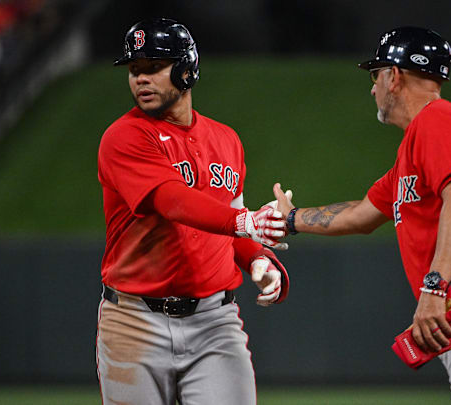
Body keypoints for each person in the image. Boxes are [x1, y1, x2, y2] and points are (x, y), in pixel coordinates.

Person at [272, 26, 451, 405]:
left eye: (375, 75)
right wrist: (290, 219)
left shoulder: (438, 120)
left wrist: (433, 287)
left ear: (394, 76)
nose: (373, 88)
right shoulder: (418, 146)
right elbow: (363, 214)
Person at [95, 18, 290, 405]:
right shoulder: (124, 137)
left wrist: (257, 260)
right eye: (134, 70)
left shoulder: (226, 139)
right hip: (134, 322)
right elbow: (172, 201)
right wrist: (246, 223)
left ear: (187, 69)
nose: (140, 79)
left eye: (153, 67)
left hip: (214, 321)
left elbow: (228, 217)